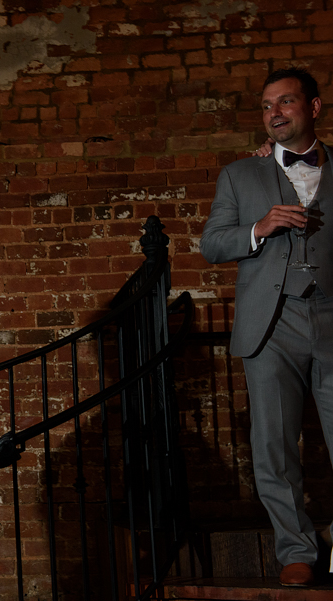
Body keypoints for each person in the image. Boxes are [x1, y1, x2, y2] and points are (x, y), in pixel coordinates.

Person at [201, 67, 333, 587]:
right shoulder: (240, 174)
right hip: (270, 323)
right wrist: (258, 228)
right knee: (273, 446)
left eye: (286, 102)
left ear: (314, 107)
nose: (274, 113)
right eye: (266, 105)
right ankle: (295, 550)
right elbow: (212, 245)